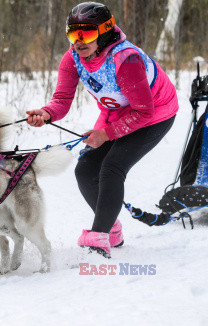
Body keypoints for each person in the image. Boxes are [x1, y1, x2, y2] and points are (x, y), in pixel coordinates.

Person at [26, 2, 178, 258]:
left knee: (112, 167)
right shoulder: (72, 58)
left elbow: (143, 112)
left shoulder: (125, 60)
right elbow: (61, 100)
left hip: (154, 115)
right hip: (117, 114)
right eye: (73, 34)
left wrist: (106, 133)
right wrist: (47, 113)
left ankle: (97, 239)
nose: (79, 41)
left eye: (86, 33)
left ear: (104, 33)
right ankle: (111, 228)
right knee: (85, 170)